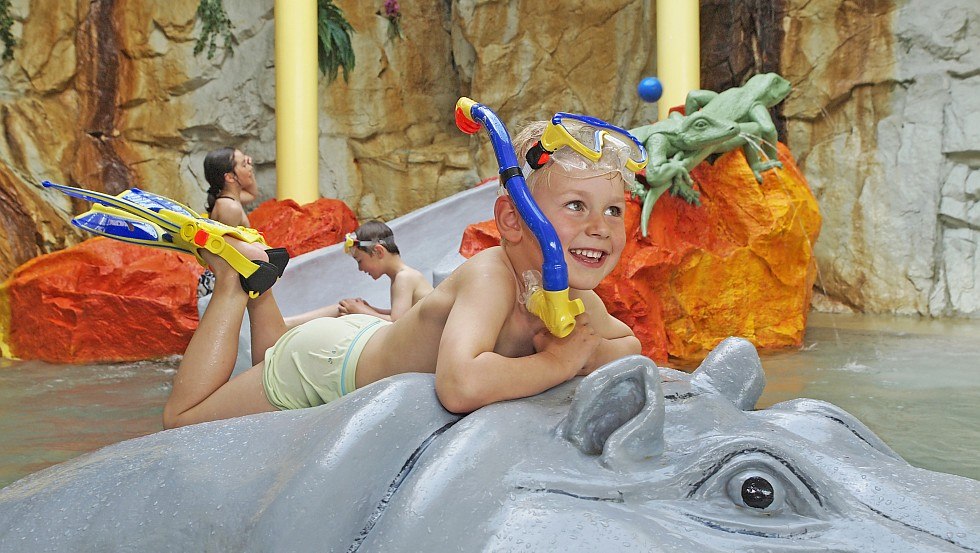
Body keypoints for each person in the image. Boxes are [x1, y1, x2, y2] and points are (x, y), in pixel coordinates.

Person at [163, 115, 642, 429]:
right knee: (185, 420)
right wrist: (558, 362)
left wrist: (584, 349)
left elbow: (630, 345)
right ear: (512, 221)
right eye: (577, 206)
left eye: (615, 211)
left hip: (370, 336)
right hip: (332, 366)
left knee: (268, 356)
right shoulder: (492, 276)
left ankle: (262, 288)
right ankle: (233, 282)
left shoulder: (578, 301)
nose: (600, 228)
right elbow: (459, 385)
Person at [283, 221, 433, 327]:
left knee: (345, 308)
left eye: (359, 260)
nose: (360, 269)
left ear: (378, 251)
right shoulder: (400, 277)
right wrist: (371, 309)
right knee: (345, 307)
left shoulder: (404, 277)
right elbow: (404, 314)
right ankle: (288, 323)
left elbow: (397, 324)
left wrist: (363, 311)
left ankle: (287, 324)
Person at [197, 148, 259, 297]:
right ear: (230, 177)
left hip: (223, 279)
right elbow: (225, 253)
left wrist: (247, 167)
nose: (250, 167)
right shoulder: (229, 207)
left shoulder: (230, 199)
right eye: (244, 164)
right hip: (222, 283)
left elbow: (252, 193)